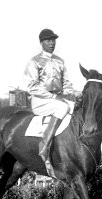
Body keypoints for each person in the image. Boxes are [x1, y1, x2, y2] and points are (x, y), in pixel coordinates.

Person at [24, 28, 82, 164]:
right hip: (40, 101)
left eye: (54, 40)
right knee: (63, 108)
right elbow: (32, 86)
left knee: (77, 108)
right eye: (48, 40)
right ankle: (44, 144)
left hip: (58, 99)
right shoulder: (34, 61)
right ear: (42, 43)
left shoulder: (60, 61)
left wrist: (75, 93)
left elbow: (66, 84)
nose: (52, 43)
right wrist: (53, 97)